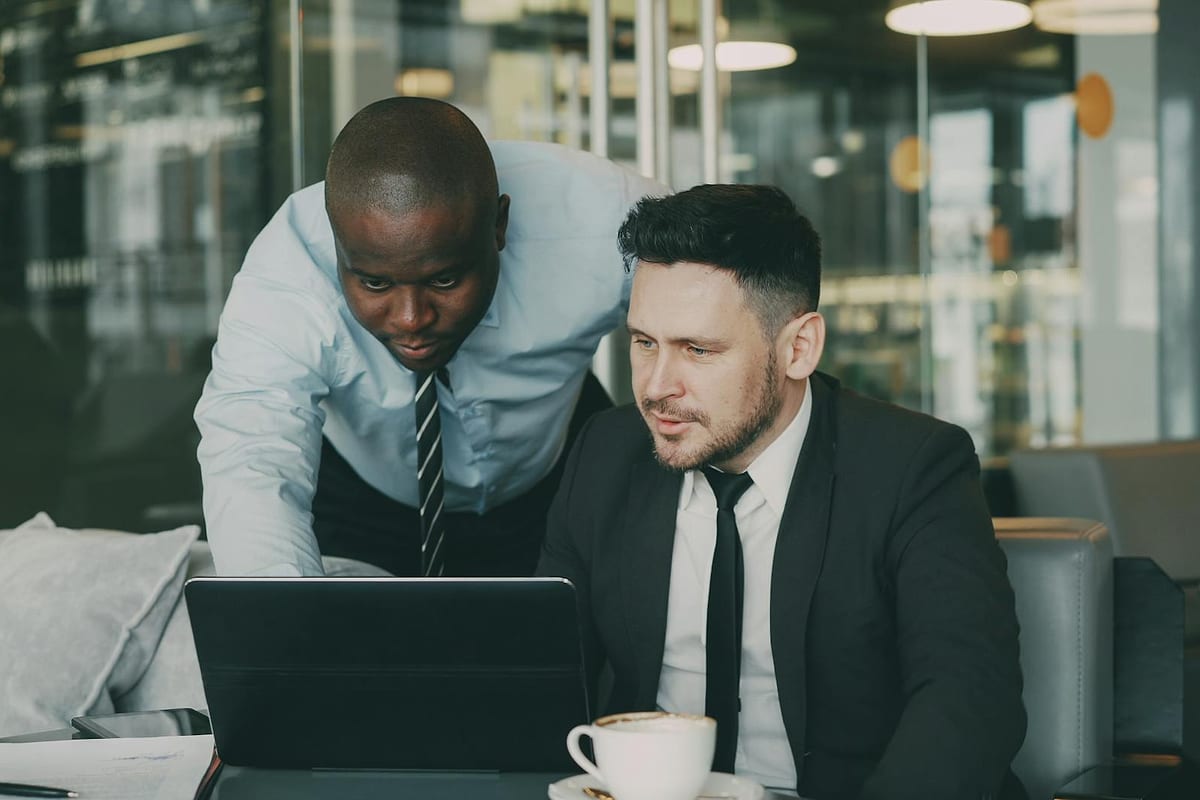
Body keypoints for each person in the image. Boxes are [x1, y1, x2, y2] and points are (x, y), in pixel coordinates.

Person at [537, 184, 1027, 799]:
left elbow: (968, 698)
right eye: (644, 343)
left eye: (698, 350)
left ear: (798, 348)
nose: (657, 386)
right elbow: (541, 674)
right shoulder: (606, 453)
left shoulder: (912, 467)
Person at [195, 97, 663, 578]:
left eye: (444, 279)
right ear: (335, 243)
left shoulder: (606, 220)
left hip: (557, 470)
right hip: (363, 494)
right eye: (375, 283)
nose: (411, 319)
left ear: (498, 225)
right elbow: (251, 451)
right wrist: (280, 607)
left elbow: (711, 304)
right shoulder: (288, 272)